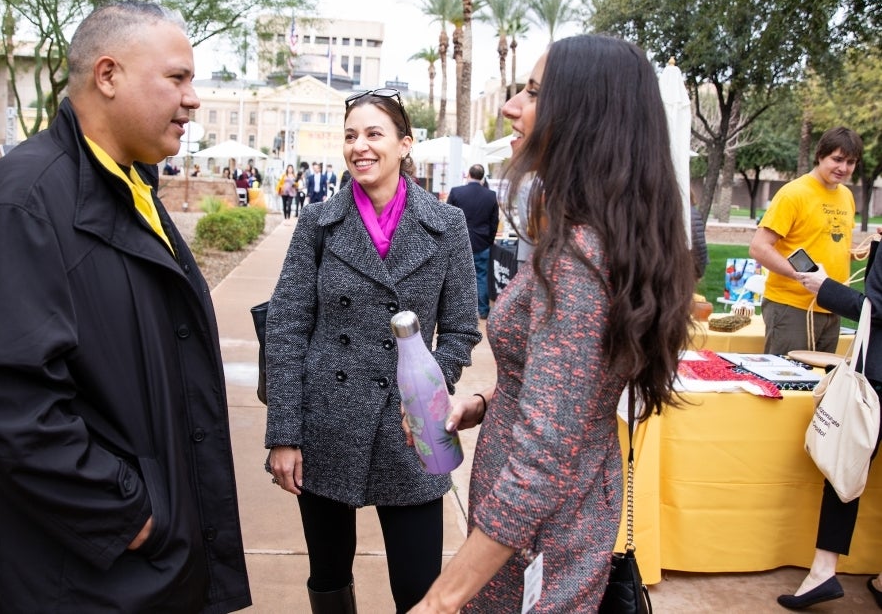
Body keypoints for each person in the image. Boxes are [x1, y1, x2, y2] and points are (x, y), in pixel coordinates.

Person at [0, 0, 251, 613]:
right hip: (66, 579)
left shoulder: (128, 186)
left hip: (124, 576)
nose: (193, 100)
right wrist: (130, 514)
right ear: (108, 76)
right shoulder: (23, 204)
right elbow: (9, 398)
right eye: (177, 78)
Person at [409, 35, 695, 612]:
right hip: (546, 527)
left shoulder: (578, 259)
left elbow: (542, 463)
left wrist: (441, 601)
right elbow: (569, 387)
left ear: (583, 117)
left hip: (537, 540)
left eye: (534, 93)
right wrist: (490, 402)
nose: (512, 106)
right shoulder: (588, 239)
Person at [264, 88, 482, 612]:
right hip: (325, 420)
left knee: (417, 584)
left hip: (410, 427)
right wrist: (284, 435)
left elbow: (459, 328)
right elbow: (288, 328)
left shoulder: (445, 225)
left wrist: (431, 387)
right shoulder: (318, 223)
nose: (359, 146)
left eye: (374, 134)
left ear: (405, 145)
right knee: (329, 574)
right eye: (350, 135)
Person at [778, 258, 882, 609]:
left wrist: (825, 288)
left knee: (843, 469)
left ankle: (823, 572)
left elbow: (875, 307)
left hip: (876, 377)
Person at [749, 127, 862, 354]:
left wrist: (862, 250)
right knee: (788, 383)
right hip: (792, 306)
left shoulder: (846, 196)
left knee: (821, 385)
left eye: (850, 162)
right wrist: (802, 276)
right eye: (837, 159)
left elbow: (830, 242)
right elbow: (759, 247)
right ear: (820, 155)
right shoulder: (794, 193)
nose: (843, 168)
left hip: (832, 305)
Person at [447, 163, 499, 319]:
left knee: (458, 277)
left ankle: (459, 311)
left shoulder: (457, 192)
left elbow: (447, 217)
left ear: (468, 175)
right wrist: (489, 240)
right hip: (482, 242)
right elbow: (494, 222)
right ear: (482, 177)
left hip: (460, 242)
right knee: (481, 276)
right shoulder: (490, 195)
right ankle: (483, 310)